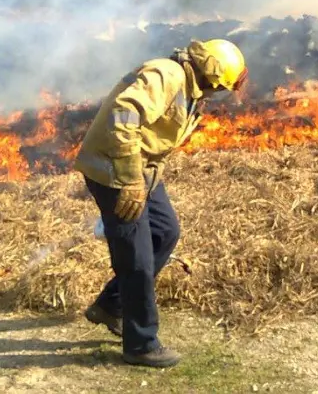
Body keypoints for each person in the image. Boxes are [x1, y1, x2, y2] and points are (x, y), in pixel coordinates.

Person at [72, 39, 248, 368]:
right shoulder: (165, 76)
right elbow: (121, 119)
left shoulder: (190, 86)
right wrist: (131, 181)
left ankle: (111, 305)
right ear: (210, 74)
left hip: (142, 171)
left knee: (165, 233)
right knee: (135, 258)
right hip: (114, 172)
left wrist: (142, 178)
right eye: (218, 87)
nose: (216, 94)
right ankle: (140, 345)